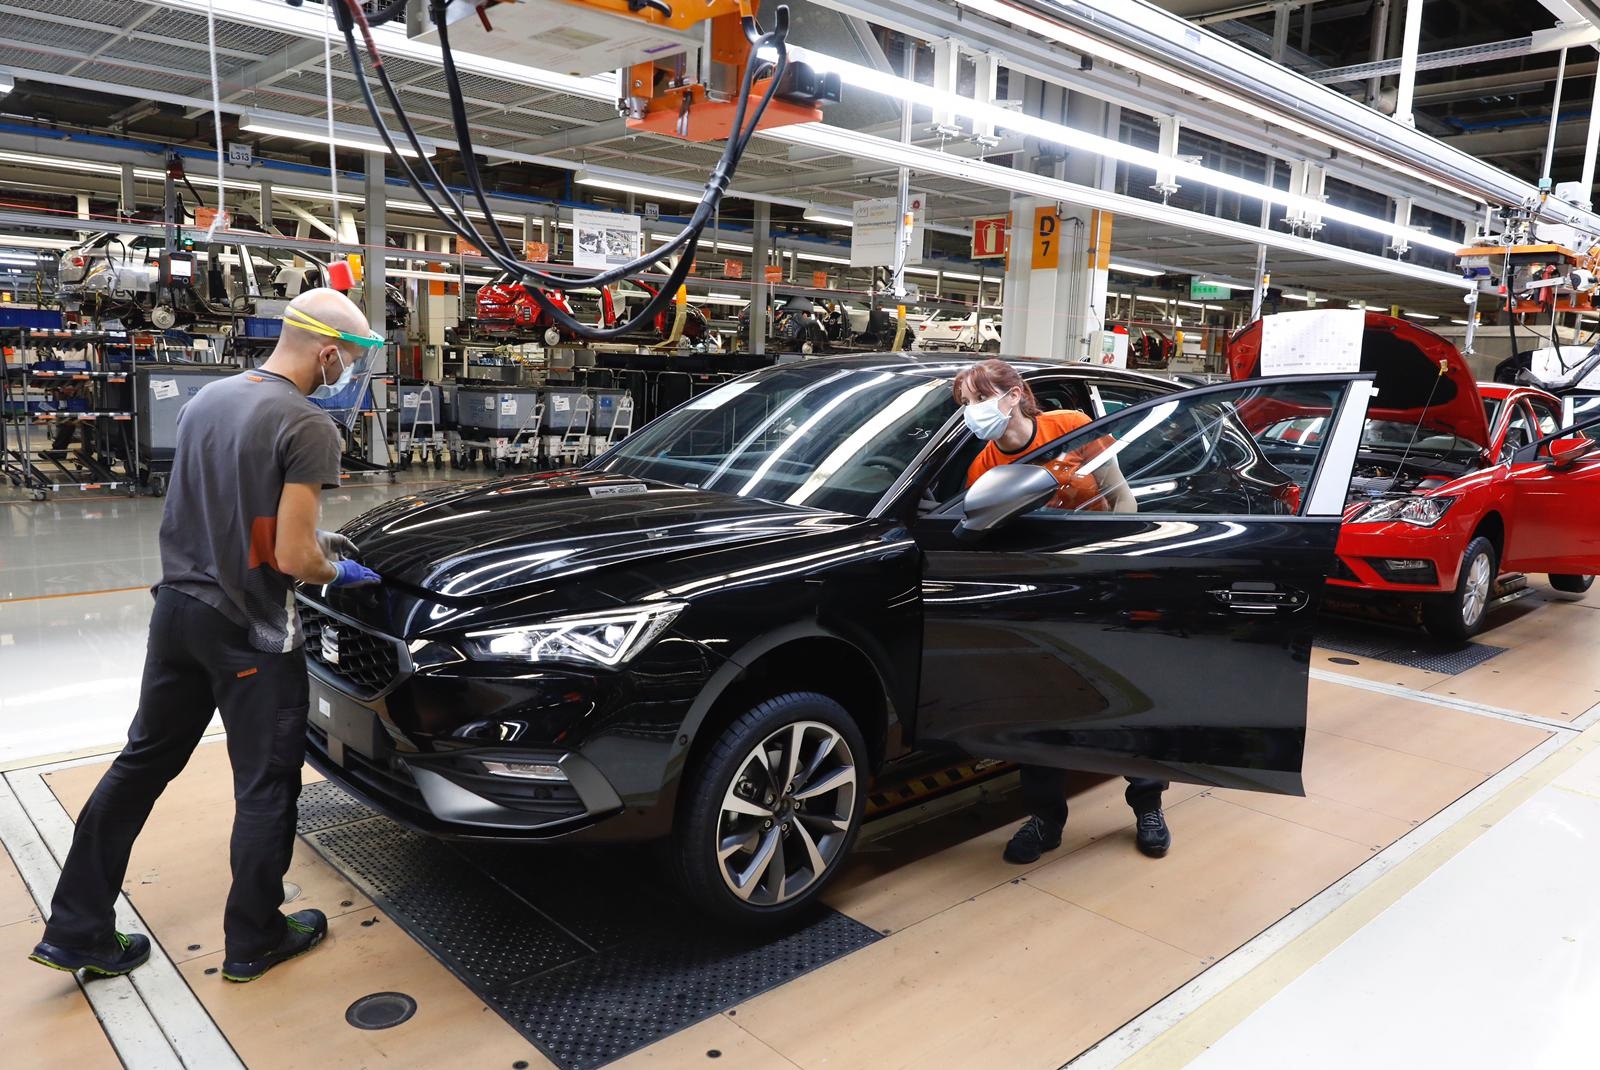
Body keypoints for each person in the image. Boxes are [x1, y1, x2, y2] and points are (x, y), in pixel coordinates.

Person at [29, 289, 385, 984]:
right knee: (266, 785)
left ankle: (76, 930)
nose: (347, 371)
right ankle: (255, 938)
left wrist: (309, 540)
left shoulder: (208, 400)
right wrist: (333, 567)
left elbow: (230, 511)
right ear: (327, 352)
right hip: (250, 630)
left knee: (140, 765)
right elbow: (291, 559)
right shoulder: (308, 423)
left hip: (177, 614)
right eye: (349, 358)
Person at [951, 358, 1172, 865]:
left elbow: (1123, 500)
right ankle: (1045, 819)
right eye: (965, 403)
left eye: (979, 399)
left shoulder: (1071, 427)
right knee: (1043, 709)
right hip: (1044, 595)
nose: (972, 411)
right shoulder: (984, 468)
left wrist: (1114, 574)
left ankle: (1148, 806)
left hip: (1102, 584)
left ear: (1013, 395)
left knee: (1126, 700)